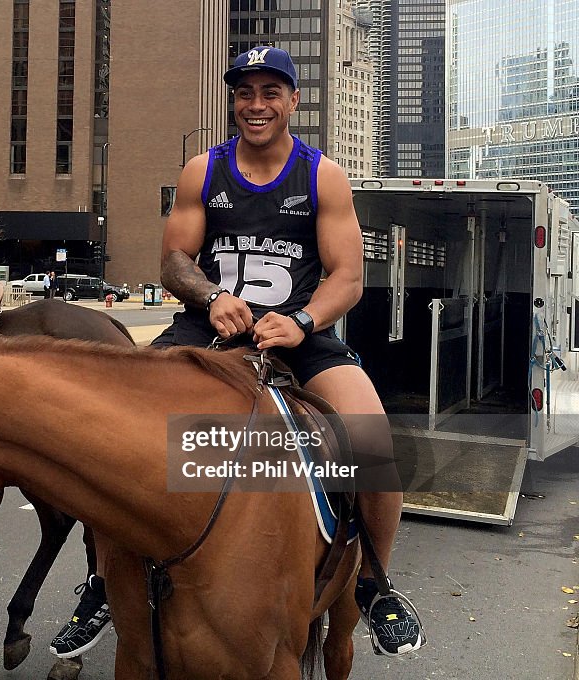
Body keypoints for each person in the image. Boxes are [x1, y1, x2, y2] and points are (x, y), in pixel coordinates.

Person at [51, 45, 424, 660]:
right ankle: (101, 578)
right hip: (209, 327)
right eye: (244, 92)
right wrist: (211, 295)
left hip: (297, 333)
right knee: (112, 435)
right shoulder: (205, 169)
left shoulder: (321, 175)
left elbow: (348, 276)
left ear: (293, 101)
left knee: (372, 440)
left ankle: (376, 583)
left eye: (270, 92)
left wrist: (303, 322)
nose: (256, 105)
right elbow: (174, 260)